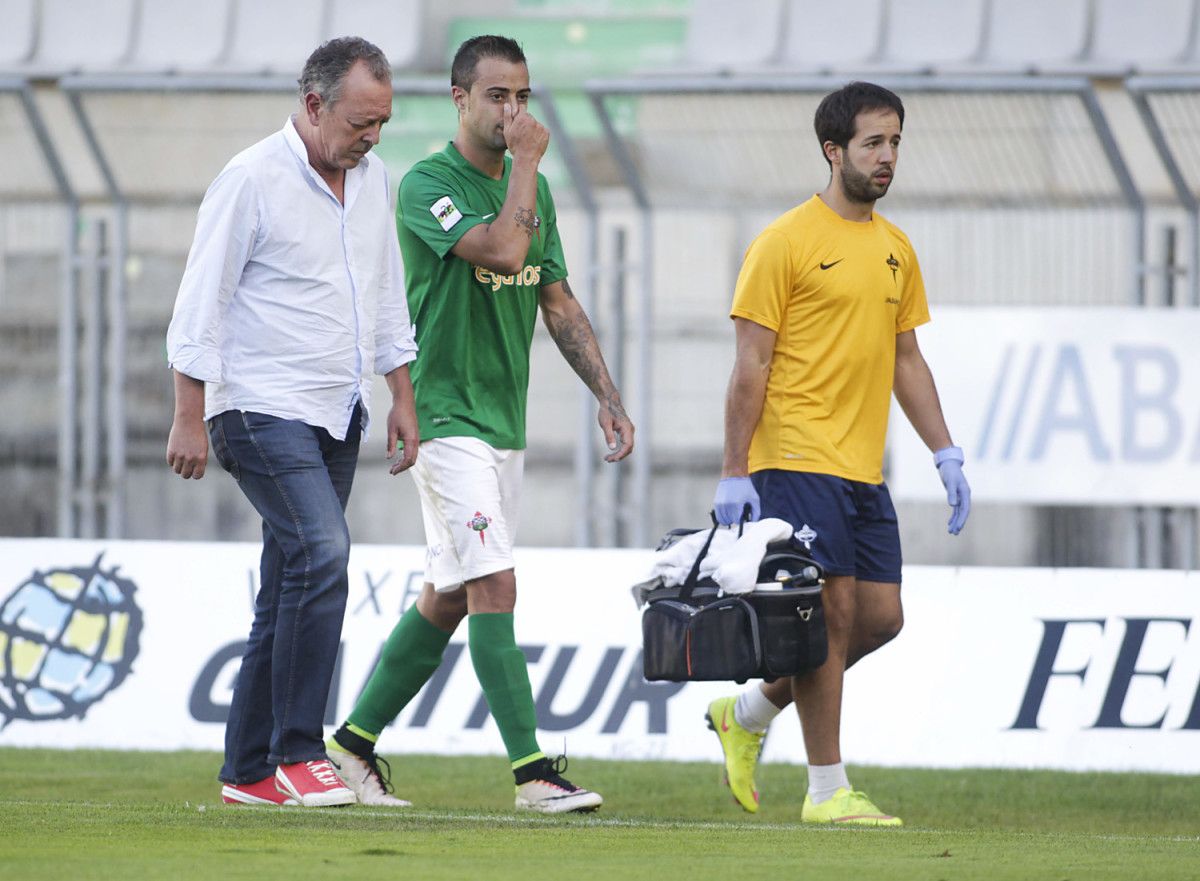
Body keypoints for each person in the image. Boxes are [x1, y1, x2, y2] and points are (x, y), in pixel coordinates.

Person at [324, 35, 634, 814]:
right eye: (498, 96)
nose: (513, 111)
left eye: (523, 96)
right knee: (494, 579)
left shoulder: (539, 194)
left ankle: (350, 746)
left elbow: (556, 300)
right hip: (442, 413)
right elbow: (500, 250)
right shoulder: (427, 182)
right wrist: (526, 164)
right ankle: (532, 773)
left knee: (452, 593)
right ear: (460, 98)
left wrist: (607, 393)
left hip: (503, 420)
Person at [705, 82, 971, 827]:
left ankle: (748, 710)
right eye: (872, 144)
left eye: (894, 143)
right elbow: (750, 364)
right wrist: (734, 470)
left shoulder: (896, 249)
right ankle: (828, 791)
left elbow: (907, 358)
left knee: (879, 619)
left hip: (862, 465)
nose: (887, 158)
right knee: (832, 609)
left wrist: (944, 449)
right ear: (833, 150)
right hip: (793, 454)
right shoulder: (784, 242)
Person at [165, 37, 419, 808]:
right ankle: (301, 751)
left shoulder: (374, 182)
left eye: (382, 121)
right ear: (313, 106)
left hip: (336, 409)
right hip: (255, 404)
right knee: (323, 552)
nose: (371, 136)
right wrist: (189, 414)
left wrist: (401, 396)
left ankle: (246, 769)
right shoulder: (250, 179)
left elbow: (384, 299)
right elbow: (200, 300)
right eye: (360, 120)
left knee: (288, 583)